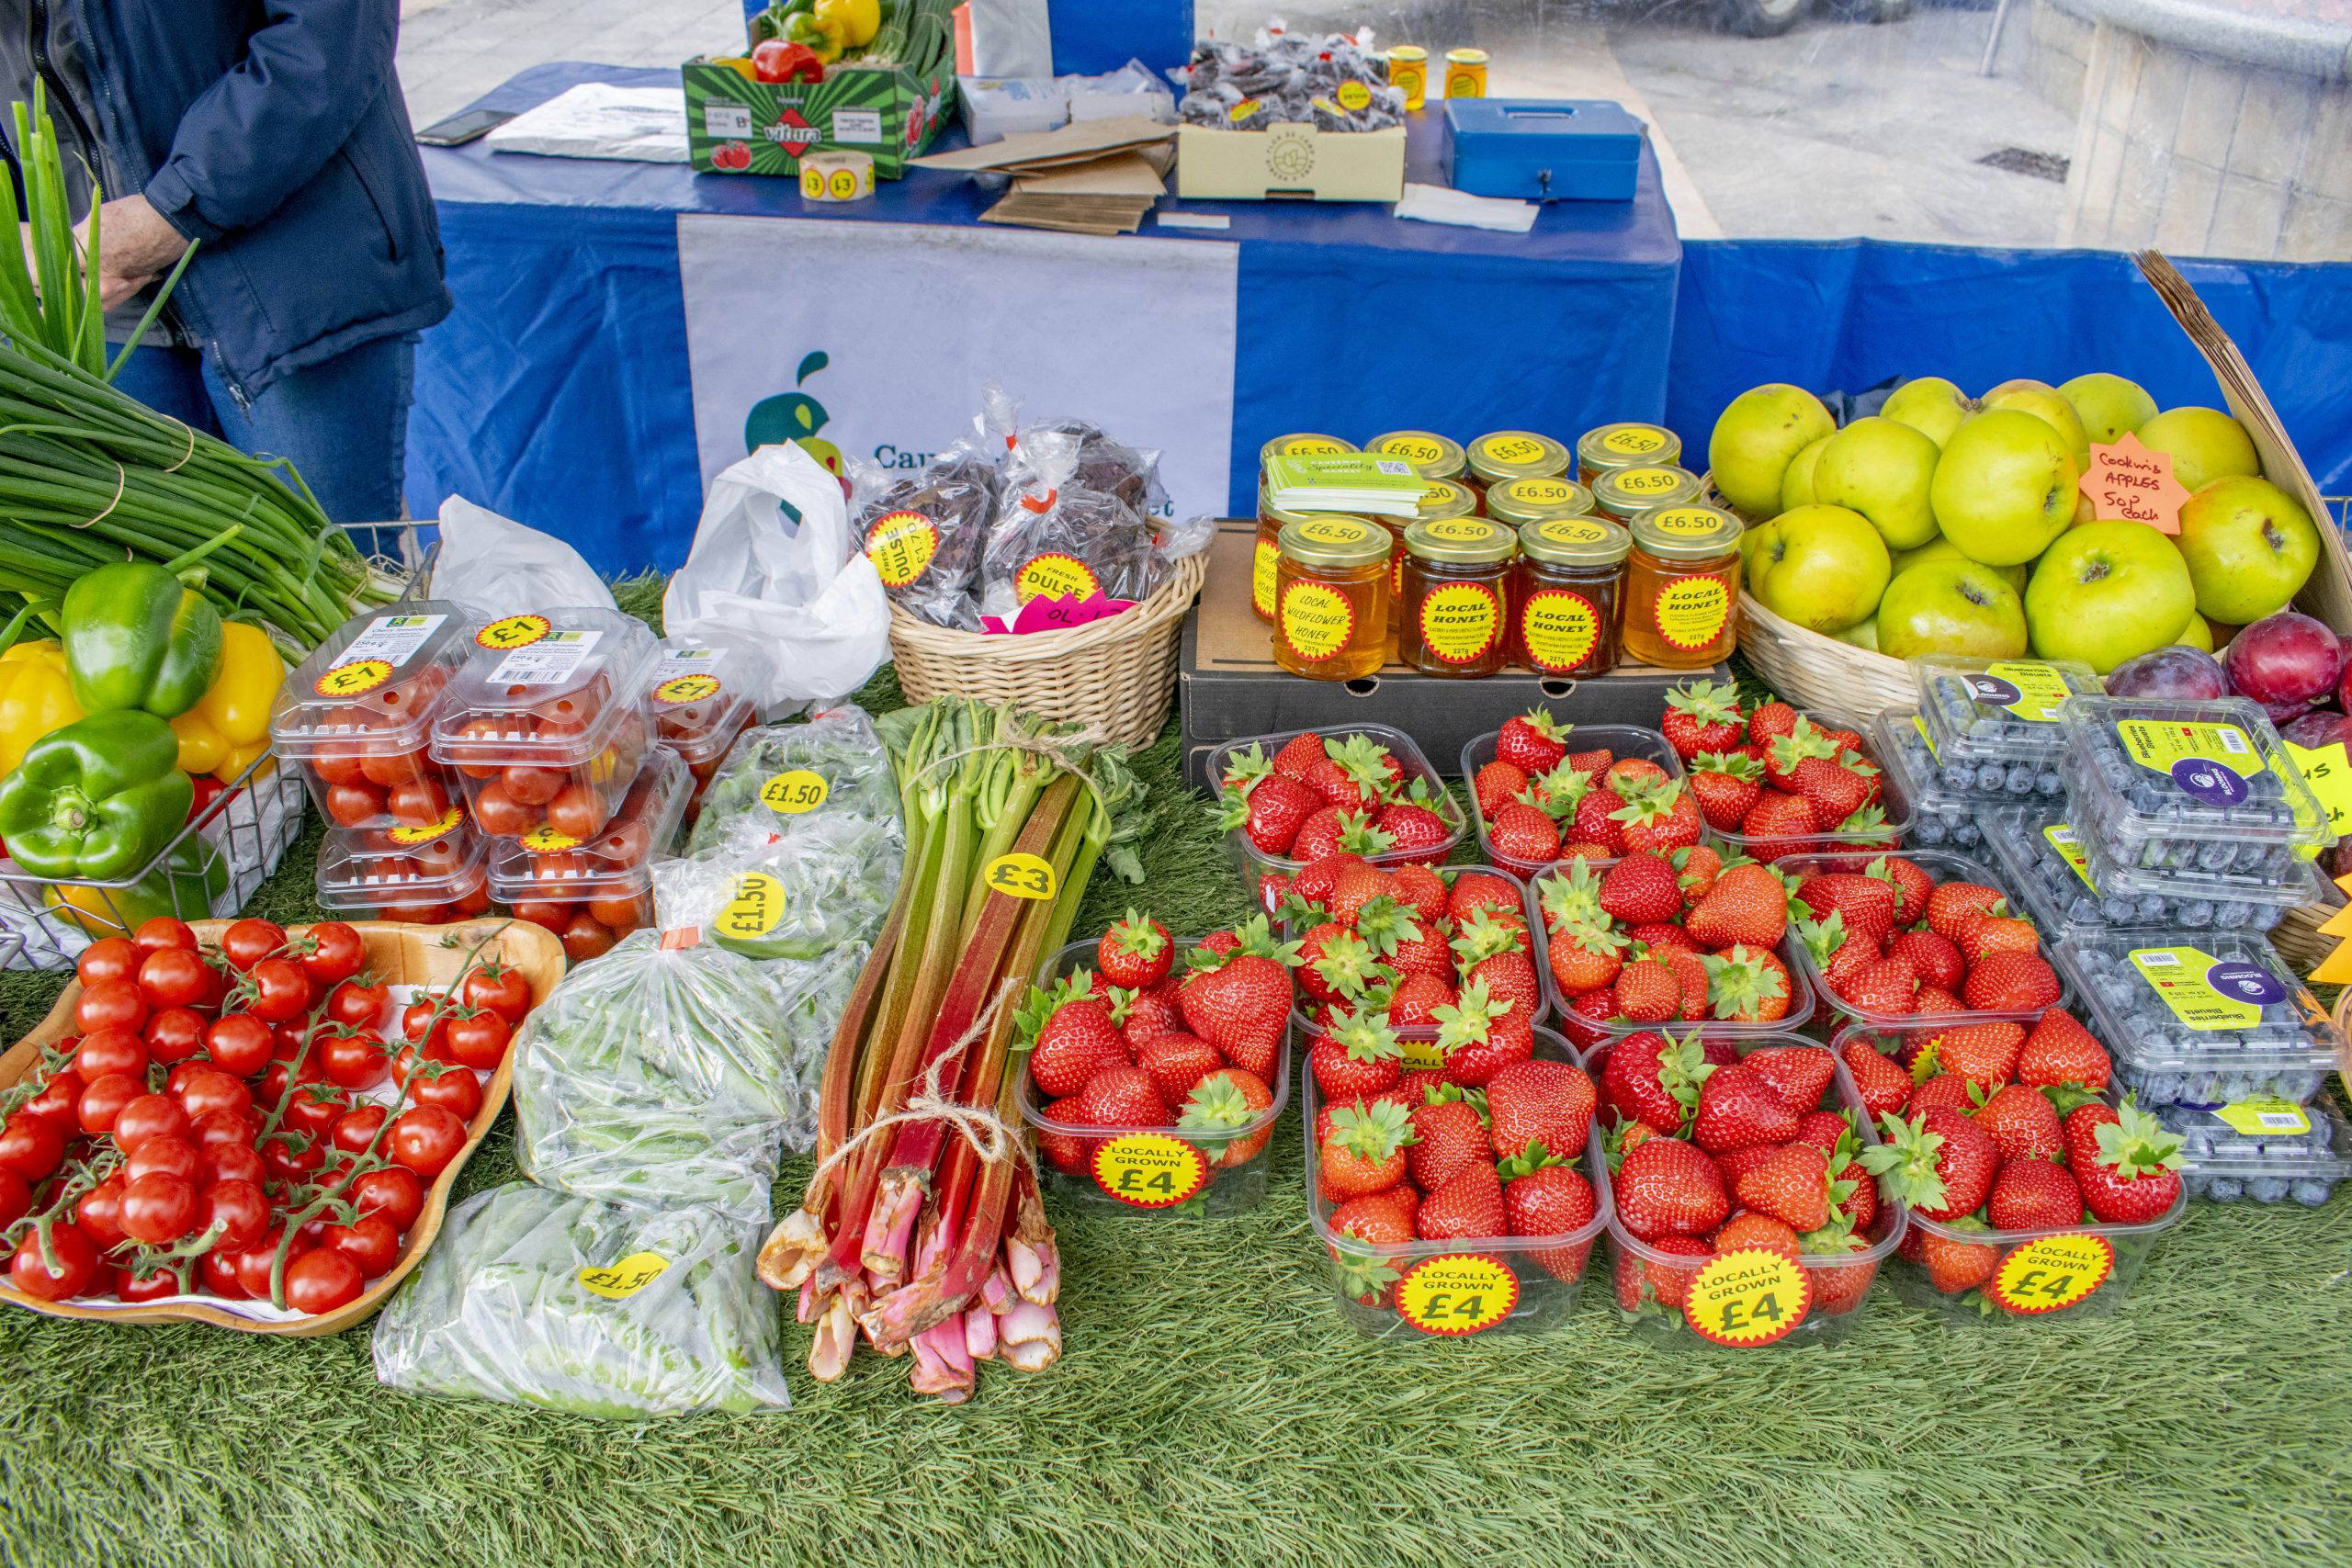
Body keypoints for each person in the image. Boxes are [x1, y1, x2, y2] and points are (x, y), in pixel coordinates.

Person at [0, 1, 450, 523]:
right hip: (91, 299)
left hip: (289, 272)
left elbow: (327, 32)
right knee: (150, 558)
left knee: (330, 556)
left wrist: (176, 209)